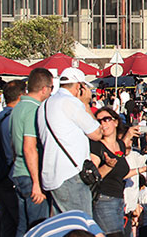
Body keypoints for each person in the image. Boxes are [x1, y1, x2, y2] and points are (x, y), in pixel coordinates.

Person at [89, 105, 147, 237]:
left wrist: (141, 169)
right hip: (103, 201)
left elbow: (121, 166)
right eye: (99, 121)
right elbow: (94, 177)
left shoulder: (118, 148)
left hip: (117, 203)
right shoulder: (96, 147)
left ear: (115, 121)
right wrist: (108, 166)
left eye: (106, 119)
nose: (102, 123)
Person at [37, 67, 102, 214]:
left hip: (52, 175)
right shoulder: (71, 103)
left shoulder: (45, 105)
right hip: (70, 174)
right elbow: (96, 134)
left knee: (62, 227)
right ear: (80, 86)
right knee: (80, 226)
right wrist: (86, 104)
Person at [10, 68, 53, 237]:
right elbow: (29, 147)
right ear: (44, 88)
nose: (51, 92)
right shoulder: (33, 110)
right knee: (38, 230)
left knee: (22, 228)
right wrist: (37, 182)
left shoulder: (18, 107)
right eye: (51, 88)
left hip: (19, 172)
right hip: (30, 175)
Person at [0, 79, 24, 237]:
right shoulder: (14, 118)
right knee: (21, 223)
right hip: (12, 176)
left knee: (7, 226)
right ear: (21, 96)